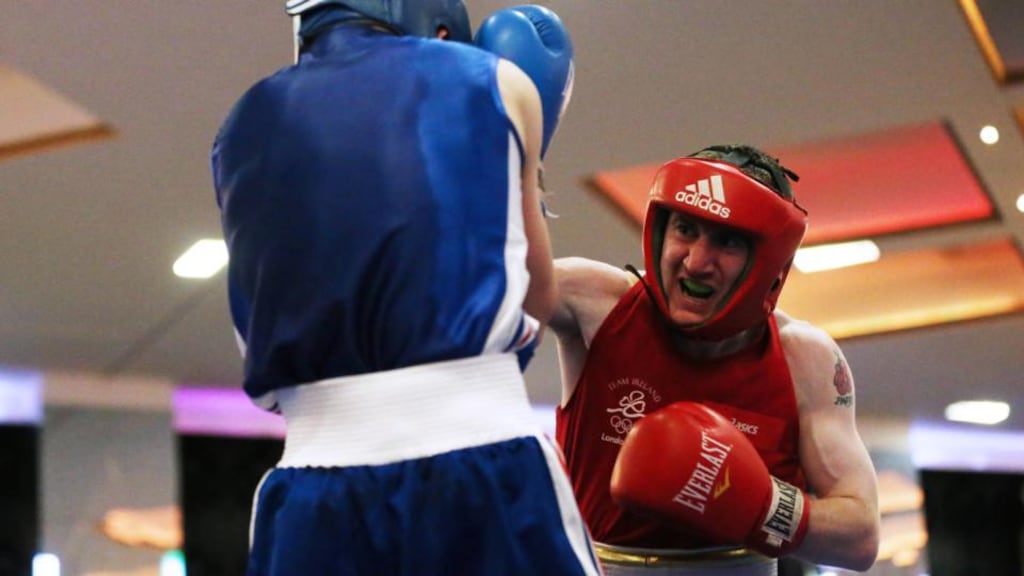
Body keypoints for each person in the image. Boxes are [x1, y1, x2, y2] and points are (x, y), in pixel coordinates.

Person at [211, 1, 599, 574]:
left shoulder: (235, 129)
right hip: (481, 462)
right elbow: (537, 300)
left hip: (308, 490)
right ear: (439, 26)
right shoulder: (495, 81)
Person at [551, 145, 881, 575]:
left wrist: (761, 505)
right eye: (685, 229)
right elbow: (466, 289)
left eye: (727, 241)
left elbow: (861, 539)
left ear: (768, 264)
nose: (696, 262)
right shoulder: (593, 303)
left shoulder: (805, 358)